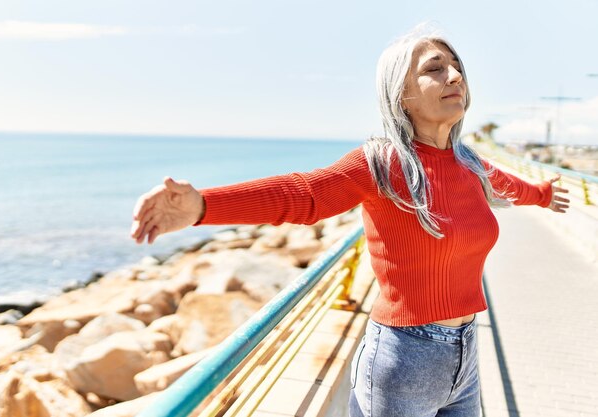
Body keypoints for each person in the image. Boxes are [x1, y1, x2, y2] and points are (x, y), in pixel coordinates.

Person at [130, 24, 570, 417]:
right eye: (434, 69)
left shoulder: (469, 164)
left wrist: (544, 195)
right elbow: (304, 194)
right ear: (401, 94)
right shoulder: (382, 163)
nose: (454, 77)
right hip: (403, 359)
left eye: (457, 68)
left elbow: (508, 185)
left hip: (466, 352)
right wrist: (204, 206)